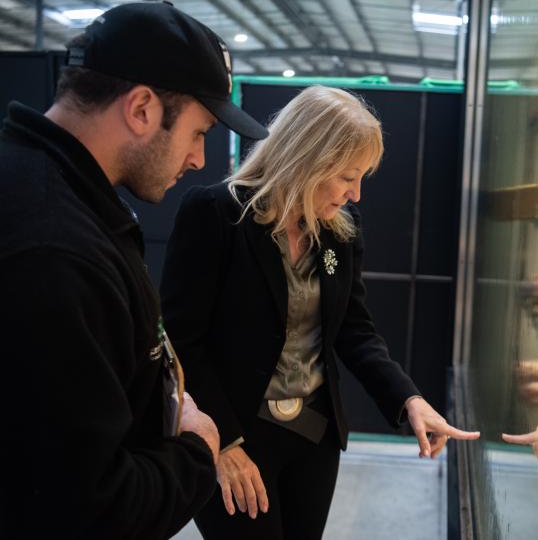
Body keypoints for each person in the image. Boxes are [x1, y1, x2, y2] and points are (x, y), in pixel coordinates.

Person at [160, 85, 480, 539]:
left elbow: (355, 331)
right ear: (308, 158)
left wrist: (409, 399)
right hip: (235, 434)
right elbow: (181, 340)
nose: (356, 194)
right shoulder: (216, 213)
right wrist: (223, 443)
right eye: (348, 176)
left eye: (362, 177)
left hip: (313, 435)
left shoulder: (338, 232)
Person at [0, 2, 269, 539]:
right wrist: (197, 447)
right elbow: (90, 508)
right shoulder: (53, 251)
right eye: (198, 132)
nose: (198, 159)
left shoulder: (56, 194)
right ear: (143, 108)